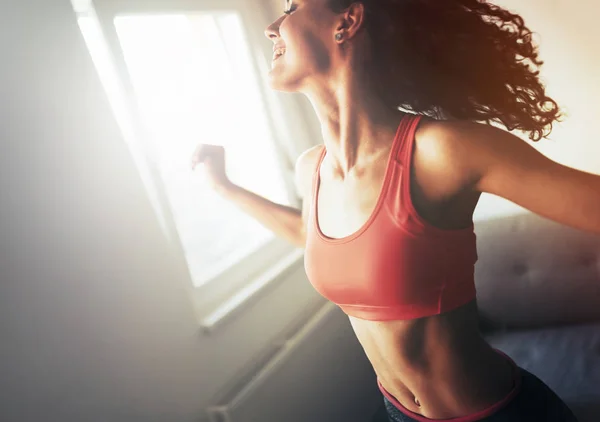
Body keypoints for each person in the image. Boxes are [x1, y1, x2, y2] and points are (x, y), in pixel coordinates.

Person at [192, 1, 600, 420]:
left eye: (293, 7)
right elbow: (323, 240)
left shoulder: (441, 151)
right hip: (399, 413)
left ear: (347, 21)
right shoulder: (311, 169)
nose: (272, 27)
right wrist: (223, 187)